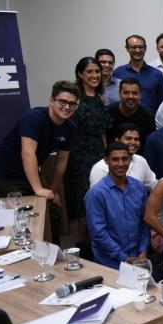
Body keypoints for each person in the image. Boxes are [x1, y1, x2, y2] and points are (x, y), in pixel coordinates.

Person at [0, 81, 78, 241]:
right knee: (20, 215)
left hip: (29, 172)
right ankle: (23, 254)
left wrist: (52, 190)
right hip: (5, 172)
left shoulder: (70, 127)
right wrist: (38, 189)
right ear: (52, 101)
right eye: (62, 102)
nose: (67, 107)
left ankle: (53, 252)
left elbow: (61, 162)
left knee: (54, 210)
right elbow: (28, 153)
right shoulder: (34, 117)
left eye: (72, 103)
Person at [66, 56, 113, 237]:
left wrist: (106, 153)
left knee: (102, 198)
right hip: (79, 156)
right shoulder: (75, 98)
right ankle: (86, 245)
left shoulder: (99, 97)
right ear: (80, 74)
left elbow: (102, 131)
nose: (94, 75)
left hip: (99, 154)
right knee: (84, 201)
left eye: (97, 72)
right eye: (90, 72)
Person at [84, 142, 149, 269]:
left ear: (130, 160)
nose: (120, 164)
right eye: (115, 159)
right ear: (106, 161)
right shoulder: (96, 194)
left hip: (139, 260)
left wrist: (143, 250)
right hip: (109, 264)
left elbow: (144, 222)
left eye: (125, 159)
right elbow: (98, 233)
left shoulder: (139, 188)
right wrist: (124, 258)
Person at [90, 123, 156, 190]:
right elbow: (95, 195)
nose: (133, 142)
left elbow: (153, 185)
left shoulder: (141, 161)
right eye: (128, 138)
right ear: (117, 140)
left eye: (136, 139)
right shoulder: (100, 168)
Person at [113, 35, 163, 114]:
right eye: (134, 47)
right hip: (124, 121)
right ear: (127, 48)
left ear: (145, 48)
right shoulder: (117, 73)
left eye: (140, 47)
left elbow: (162, 103)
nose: (137, 50)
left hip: (149, 121)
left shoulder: (157, 74)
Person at [106, 77, 155, 147]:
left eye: (135, 93)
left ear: (140, 95)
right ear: (119, 94)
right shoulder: (107, 113)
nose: (130, 97)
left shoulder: (147, 116)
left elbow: (150, 144)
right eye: (126, 93)